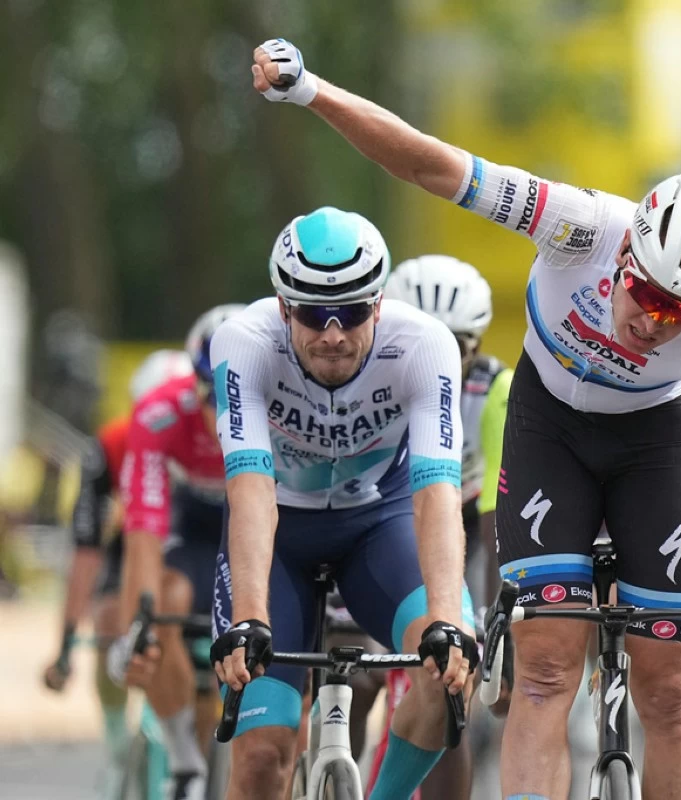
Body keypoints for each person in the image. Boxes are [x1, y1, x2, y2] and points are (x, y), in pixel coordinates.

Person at [249, 38, 681, 800]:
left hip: (652, 444)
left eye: (680, 313)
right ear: (628, 252)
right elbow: (431, 165)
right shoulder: (582, 225)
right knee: (546, 671)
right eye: (649, 296)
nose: (658, 324)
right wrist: (311, 92)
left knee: (668, 694)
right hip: (548, 426)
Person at [206, 206, 476, 800]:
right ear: (282, 307)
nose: (333, 333)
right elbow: (249, 486)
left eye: (352, 313)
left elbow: (437, 491)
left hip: (379, 525)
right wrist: (251, 615)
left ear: (379, 303)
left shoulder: (424, 345)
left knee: (452, 671)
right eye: (311, 313)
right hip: (278, 535)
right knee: (260, 755)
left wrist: (447, 620)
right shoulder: (245, 343)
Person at [365, 255, 510, 800]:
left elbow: (500, 521)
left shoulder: (496, 390)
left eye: (456, 345)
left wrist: (498, 623)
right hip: (380, 517)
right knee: (353, 678)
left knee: (453, 683)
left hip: (464, 517)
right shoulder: (367, 374)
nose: (437, 357)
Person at [41, 349, 192, 790]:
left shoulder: (213, 437)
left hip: (189, 549)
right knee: (110, 617)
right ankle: (116, 745)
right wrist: (67, 643)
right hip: (131, 547)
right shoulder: (108, 446)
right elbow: (86, 552)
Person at [107, 309, 242, 800]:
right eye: (210, 393)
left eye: (234, 394)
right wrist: (134, 630)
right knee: (160, 608)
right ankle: (186, 761)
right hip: (194, 534)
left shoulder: (293, 409)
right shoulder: (159, 414)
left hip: (261, 527)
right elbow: (143, 531)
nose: (220, 410)